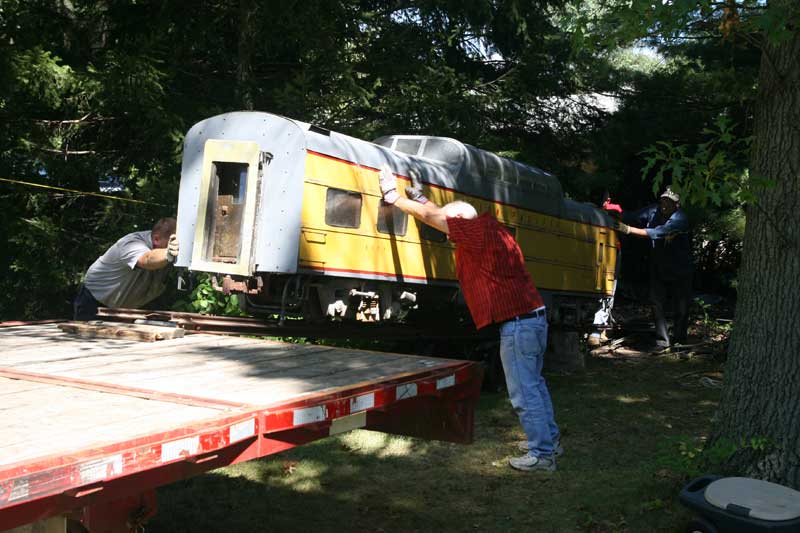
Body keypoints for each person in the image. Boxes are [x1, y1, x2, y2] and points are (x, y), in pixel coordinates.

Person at [377, 165, 561, 472]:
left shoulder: (474, 232)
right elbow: (439, 215)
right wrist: (421, 197)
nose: (451, 238)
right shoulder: (488, 229)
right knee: (535, 385)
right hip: (532, 319)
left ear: (461, 222)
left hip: (518, 324)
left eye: (452, 230)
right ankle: (549, 441)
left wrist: (394, 197)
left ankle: (542, 455)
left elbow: (438, 219)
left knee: (523, 391)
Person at [613, 188, 693, 348]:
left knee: (681, 306)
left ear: (677, 205)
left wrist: (627, 229)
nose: (664, 205)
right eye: (663, 201)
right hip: (659, 265)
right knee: (656, 303)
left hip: (681, 267)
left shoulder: (680, 219)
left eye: (669, 202)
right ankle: (662, 341)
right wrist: (610, 211)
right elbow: (632, 216)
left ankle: (680, 341)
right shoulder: (653, 210)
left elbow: (658, 232)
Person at [73, 218, 180, 321]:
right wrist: (168, 253)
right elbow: (147, 259)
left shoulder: (161, 241)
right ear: (156, 239)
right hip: (94, 302)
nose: (177, 248)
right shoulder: (131, 243)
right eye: (170, 244)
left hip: (125, 308)